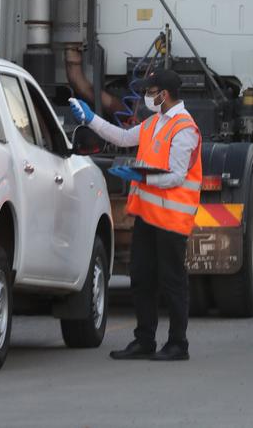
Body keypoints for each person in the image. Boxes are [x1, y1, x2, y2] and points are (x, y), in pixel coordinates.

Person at [69, 68, 202, 360]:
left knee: (172, 280)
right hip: (148, 216)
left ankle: (178, 343)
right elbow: (122, 137)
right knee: (141, 277)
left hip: (171, 219)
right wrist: (91, 119)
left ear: (163, 95)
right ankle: (144, 340)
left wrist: (142, 178)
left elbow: (177, 176)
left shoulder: (184, 128)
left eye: (150, 91)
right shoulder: (155, 122)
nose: (146, 96)